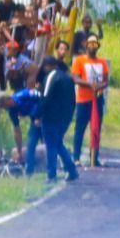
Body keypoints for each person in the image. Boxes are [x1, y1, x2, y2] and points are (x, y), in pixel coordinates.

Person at [37, 56, 79, 183]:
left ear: (48, 66)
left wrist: (38, 114)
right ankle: (71, 170)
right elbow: (73, 99)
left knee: (51, 145)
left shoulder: (51, 77)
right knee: (58, 143)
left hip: (51, 117)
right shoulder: (68, 77)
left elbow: (46, 97)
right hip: (65, 117)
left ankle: (51, 174)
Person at [71, 35, 110, 166]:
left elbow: (106, 80)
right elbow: (76, 79)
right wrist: (90, 85)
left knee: (96, 128)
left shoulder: (102, 62)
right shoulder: (79, 61)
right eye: (90, 44)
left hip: (98, 99)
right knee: (80, 128)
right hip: (83, 100)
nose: (93, 46)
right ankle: (76, 157)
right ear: (86, 45)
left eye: (95, 44)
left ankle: (94, 157)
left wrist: (99, 86)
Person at [0, 86, 42, 173]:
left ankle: (55, 166)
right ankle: (30, 172)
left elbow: (44, 99)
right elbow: (17, 131)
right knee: (31, 143)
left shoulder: (24, 95)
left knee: (50, 141)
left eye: (3, 105)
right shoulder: (11, 111)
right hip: (35, 120)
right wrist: (19, 151)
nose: (3, 108)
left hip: (46, 114)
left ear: (8, 99)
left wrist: (40, 116)